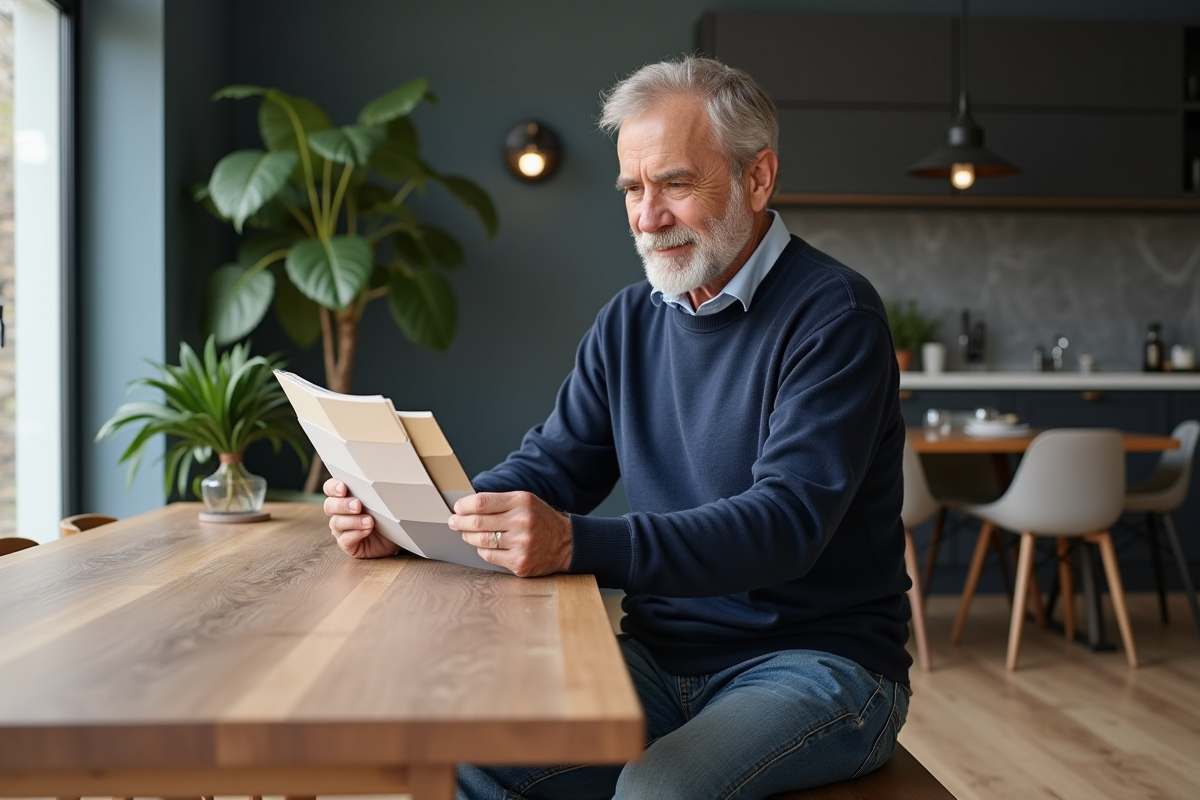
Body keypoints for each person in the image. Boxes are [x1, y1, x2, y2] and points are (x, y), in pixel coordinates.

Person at [323, 56, 911, 800]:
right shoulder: (630, 321)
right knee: (470, 758)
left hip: (822, 665)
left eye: (675, 183)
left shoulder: (835, 315)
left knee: (658, 792)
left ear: (757, 178)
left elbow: (787, 524)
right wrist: (413, 516)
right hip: (661, 660)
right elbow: (552, 468)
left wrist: (576, 542)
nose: (646, 215)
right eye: (633, 188)